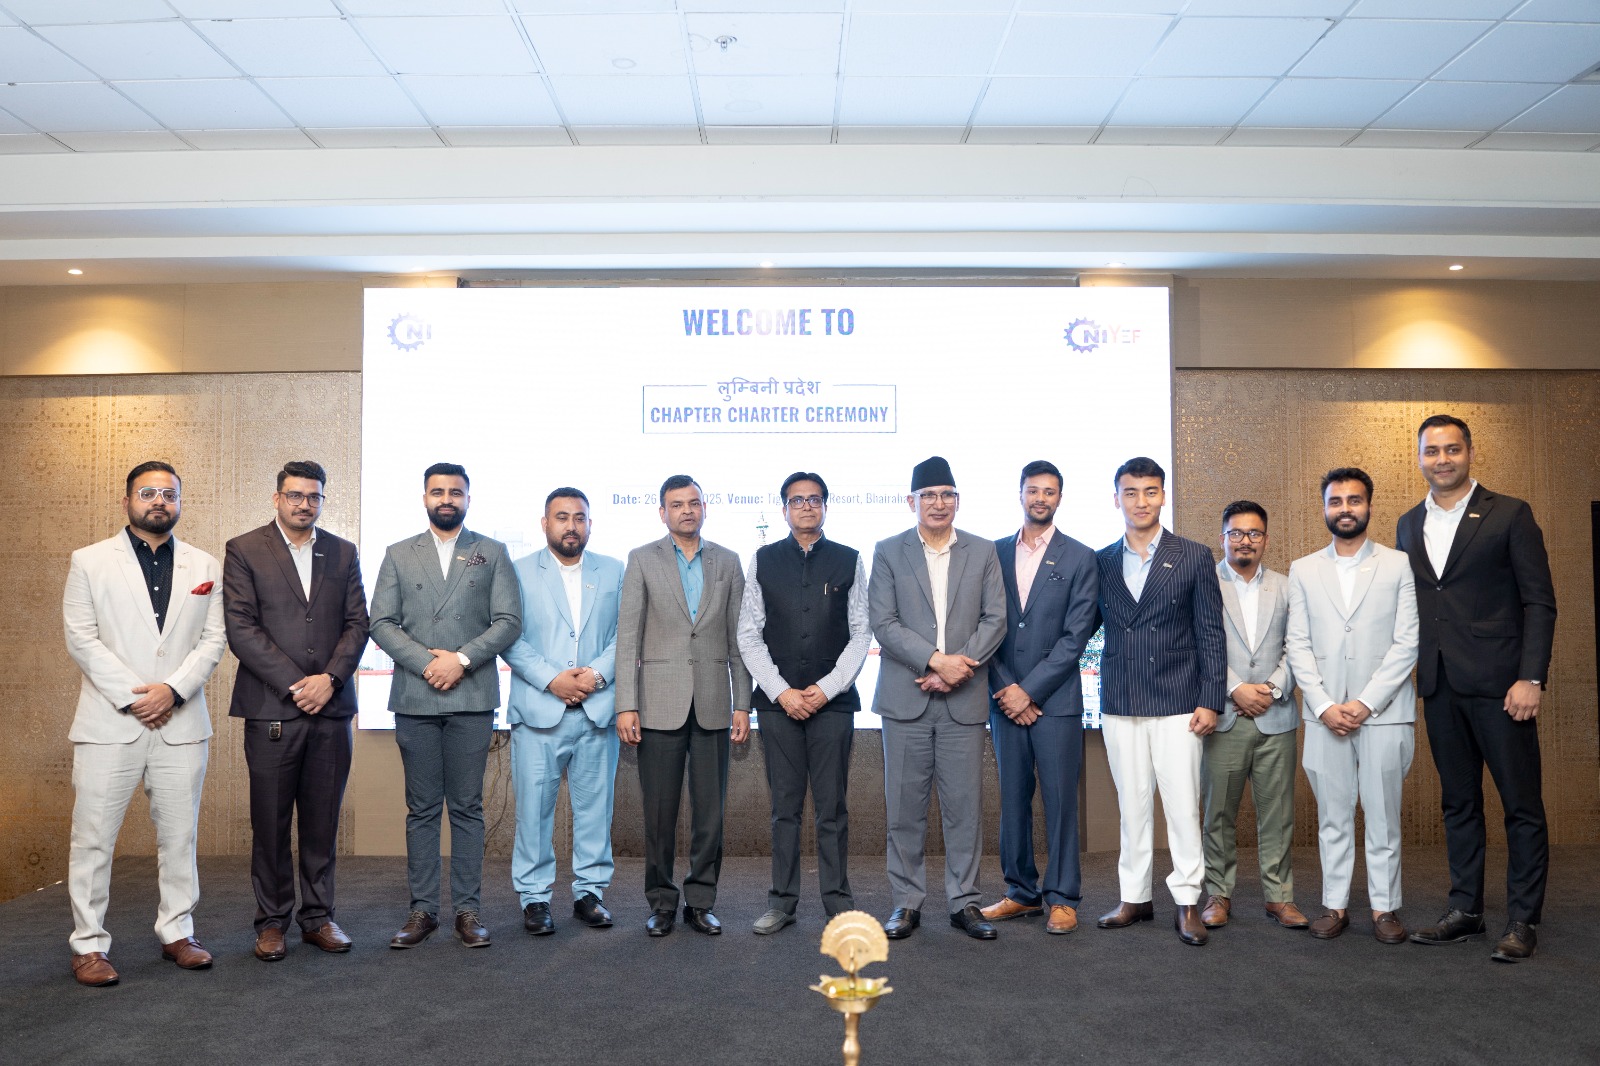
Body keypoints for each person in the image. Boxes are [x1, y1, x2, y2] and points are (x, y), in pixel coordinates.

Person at [1397, 415, 1556, 963]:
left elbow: (1539, 601)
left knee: (1521, 806)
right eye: (1431, 451)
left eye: (1452, 449)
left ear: (1469, 452)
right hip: (1439, 685)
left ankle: (1522, 919)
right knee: (1459, 804)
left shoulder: (1510, 513)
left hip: (1503, 687)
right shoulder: (1408, 523)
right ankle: (1466, 910)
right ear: (1419, 457)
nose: (1442, 459)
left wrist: (1531, 677)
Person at [63, 461, 227, 986]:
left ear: (180, 502)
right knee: (93, 840)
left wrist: (172, 691)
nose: (159, 501)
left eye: (169, 494)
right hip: (109, 723)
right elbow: (81, 638)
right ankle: (89, 945)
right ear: (127, 501)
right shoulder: (89, 561)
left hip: (182, 723)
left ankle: (178, 932)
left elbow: (214, 640)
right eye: (148, 492)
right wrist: (137, 697)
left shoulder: (205, 564)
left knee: (179, 838)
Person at [369, 463, 521, 949]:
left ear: (468, 499)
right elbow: (381, 622)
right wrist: (427, 664)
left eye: (456, 491)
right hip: (416, 696)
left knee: (468, 808)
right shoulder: (398, 553)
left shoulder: (492, 552)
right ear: (425, 498)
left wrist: (461, 660)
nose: (447, 499)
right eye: (438, 491)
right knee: (421, 809)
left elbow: (508, 620)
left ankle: (468, 911)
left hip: (471, 695)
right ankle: (422, 911)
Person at [224, 460, 369, 962]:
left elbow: (358, 624)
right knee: (269, 823)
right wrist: (296, 684)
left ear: (322, 500)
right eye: (295, 495)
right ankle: (271, 923)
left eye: (313, 496)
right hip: (272, 709)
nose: (304, 504)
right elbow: (241, 628)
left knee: (322, 822)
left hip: (331, 709)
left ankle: (318, 917)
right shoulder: (245, 549)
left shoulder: (343, 551)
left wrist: (329, 680)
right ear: (277, 498)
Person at [869, 456, 1006, 941]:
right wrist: (934, 661)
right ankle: (906, 903)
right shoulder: (888, 551)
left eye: (947, 494)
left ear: (957, 501)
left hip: (962, 701)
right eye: (928, 495)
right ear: (912, 502)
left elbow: (995, 619)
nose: (938, 503)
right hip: (905, 701)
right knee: (903, 810)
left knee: (964, 809)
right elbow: (883, 622)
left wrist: (956, 669)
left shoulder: (983, 550)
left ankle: (964, 901)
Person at [1093, 456, 1225, 947]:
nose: (1141, 501)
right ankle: (1134, 897)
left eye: (1150, 491)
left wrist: (1212, 698)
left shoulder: (1193, 555)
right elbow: (1081, 627)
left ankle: (1188, 901)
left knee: (1183, 808)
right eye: (1130, 492)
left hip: (1179, 702)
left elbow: (1210, 632)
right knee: (1132, 808)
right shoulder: (1101, 561)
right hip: (1121, 700)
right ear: (1116, 499)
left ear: (1163, 496)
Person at [1285, 467, 1418, 945]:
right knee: (1333, 817)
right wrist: (1323, 705)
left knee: (1383, 817)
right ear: (1325, 508)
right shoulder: (1303, 569)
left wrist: (1365, 702)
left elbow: (1408, 642)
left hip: (1385, 713)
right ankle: (1335, 905)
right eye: (1336, 501)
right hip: (1324, 716)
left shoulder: (1397, 564)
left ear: (1369, 506)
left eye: (1354, 500)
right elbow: (1297, 644)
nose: (1345, 509)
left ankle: (1385, 908)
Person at [616, 475, 753, 937]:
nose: (687, 511)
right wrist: (626, 704)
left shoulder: (728, 561)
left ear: (705, 508)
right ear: (663, 513)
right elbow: (628, 638)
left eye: (694, 503)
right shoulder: (641, 559)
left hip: (714, 703)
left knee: (710, 815)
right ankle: (660, 902)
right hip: (657, 704)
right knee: (659, 813)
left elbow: (739, 640)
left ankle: (701, 901)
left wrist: (743, 703)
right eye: (677, 505)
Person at [737, 471, 871, 934]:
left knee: (832, 808)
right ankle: (782, 902)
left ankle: (838, 903)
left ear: (825, 507)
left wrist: (827, 688)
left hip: (833, 705)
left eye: (815, 499)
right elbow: (748, 634)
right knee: (784, 809)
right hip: (779, 705)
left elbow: (861, 632)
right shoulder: (763, 560)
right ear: (784, 509)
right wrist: (781, 691)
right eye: (797, 500)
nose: (807, 507)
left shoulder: (849, 559)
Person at [978, 460, 1098, 936]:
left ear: (1060, 498)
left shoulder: (1081, 557)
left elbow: (1077, 635)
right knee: (1013, 799)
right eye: (1033, 490)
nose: (1041, 498)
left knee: (1060, 801)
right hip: (1004, 697)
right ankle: (1021, 892)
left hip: (1056, 701)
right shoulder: (993, 553)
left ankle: (1063, 897)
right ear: (1020, 494)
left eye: (1049, 491)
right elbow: (984, 627)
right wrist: (1007, 688)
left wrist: (1028, 691)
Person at [503, 488, 625, 936]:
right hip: (539, 710)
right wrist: (553, 679)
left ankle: (590, 893)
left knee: (596, 811)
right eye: (561, 517)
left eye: (579, 518)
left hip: (597, 709)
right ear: (545, 523)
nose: (571, 526)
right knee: (533, 813)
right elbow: (508, 636)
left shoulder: (613, 570)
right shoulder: (516, 571)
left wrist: (595, 676)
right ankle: (534, 898)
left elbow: (626, 633)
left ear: (590, 524)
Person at [1199, 501, 1306, 932]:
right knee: (1217, 814)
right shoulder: (1204, 584)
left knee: (1277, 815)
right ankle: (1218, 894)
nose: (1245, 540)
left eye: (1254, 533)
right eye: (1236, 533)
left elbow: (1299, 645)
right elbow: (1197, 642)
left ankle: (1279, 897)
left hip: (1276, 717)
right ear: (1222, 538)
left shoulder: (1286, 586)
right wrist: (1235, 688)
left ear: (1265, 539)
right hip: (1223, 716)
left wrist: (1273, 688)